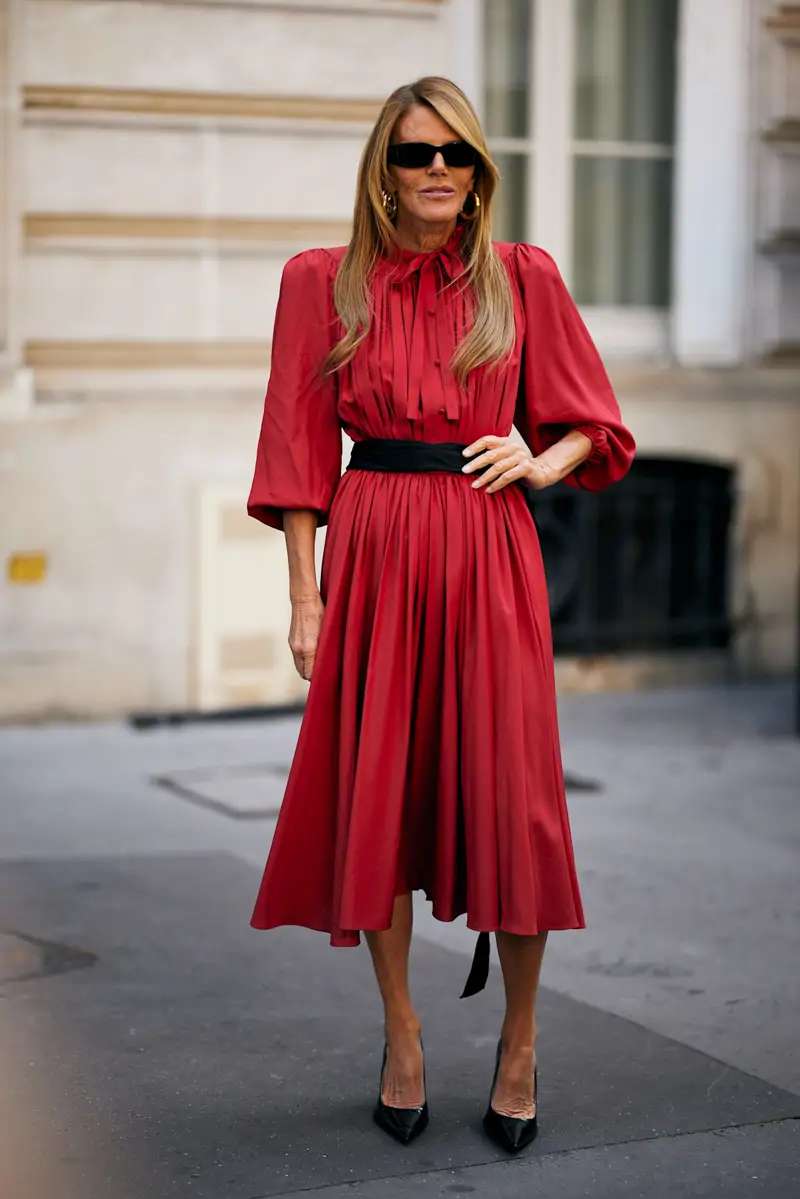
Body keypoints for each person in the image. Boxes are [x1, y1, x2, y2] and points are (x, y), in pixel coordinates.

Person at [247, 76, 635, 1153]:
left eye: (454, 156)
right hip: (371, 551)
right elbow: (294, 450)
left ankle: (518, 1039)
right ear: (385, 166)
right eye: (415, 154)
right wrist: (303, 596)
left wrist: (536, 455)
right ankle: (403, 1031)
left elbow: (593, 423)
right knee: (379, 795)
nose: (435, 172)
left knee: (510, 802)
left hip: (486, 549)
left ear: (477, 172)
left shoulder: (521, 279)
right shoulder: (320, 281)